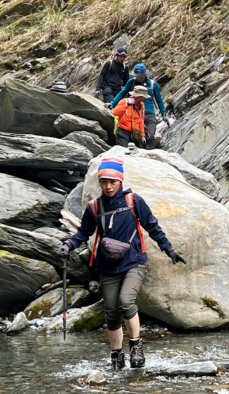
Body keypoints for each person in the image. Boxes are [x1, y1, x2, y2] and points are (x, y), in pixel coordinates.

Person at [57, 157, 186, 370]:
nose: (108, 186)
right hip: (108, 266)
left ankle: (136, 347)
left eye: (112, 182)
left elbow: (152, 226)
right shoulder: (94, 207)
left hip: (134, 261)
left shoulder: (134, 201)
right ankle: (116, 356)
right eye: (104, 182)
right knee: (110, 310)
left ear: (120, 181)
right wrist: (69, 245)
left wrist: (168, 249)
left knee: (126, 301)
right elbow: (83, 232)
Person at [111, 63, 168, 150]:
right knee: (137, 136)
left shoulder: (153, 84)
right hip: (135, 112)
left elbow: (159, 100)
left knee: (150, 136)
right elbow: (122, 92)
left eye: (141, 76)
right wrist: (113, 103)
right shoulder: (131, 82)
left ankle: (150, 154)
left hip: (149, 113)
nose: (139, 78)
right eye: (137, 76)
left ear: (145, 74)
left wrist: (163, 113)